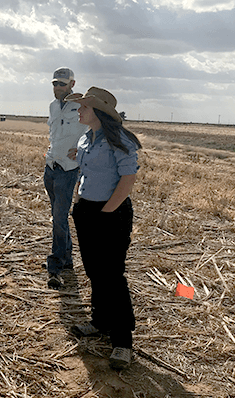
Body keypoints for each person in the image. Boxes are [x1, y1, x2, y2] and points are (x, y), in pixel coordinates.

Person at [64, 87, 142, 369]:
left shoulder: (119, 139)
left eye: (83, 107)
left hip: (111, 214)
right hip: (87, 210)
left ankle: (122, 342)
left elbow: (128, 178)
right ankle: (100, 322)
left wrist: (107, 213)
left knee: (112, 275)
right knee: (94, 270)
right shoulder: (87, 138)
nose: (79, 111)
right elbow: (91, 170)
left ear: (98, 112)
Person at [43, 67, 88, 289]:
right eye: (55, 83)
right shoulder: (52, 106)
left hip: (69, 169)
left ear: (72, 83)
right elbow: (55, 134)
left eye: (62, 83)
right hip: (51, 166)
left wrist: (82, 151)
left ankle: (55, 266)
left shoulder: (82, 106)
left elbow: (95, 131)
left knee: (59, 217)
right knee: (57, 216)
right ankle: (67, 259)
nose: (58, 87)